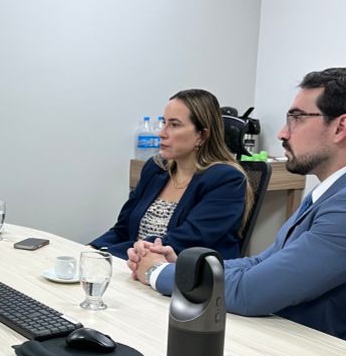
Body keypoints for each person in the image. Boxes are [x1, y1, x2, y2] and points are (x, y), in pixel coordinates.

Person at [130, 67, 346, 344]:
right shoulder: (345, 189)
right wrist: (183, 266)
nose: (282, 133)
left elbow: (252, 292)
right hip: (277, 334)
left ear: (341, 127)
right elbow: (260, 264)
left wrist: (158, 272)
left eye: (296, 118)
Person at [90, 89, 252, 260]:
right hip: (137, 267)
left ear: (202, 135)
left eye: (174, 124)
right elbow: (122, 229)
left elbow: (183, 241)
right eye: (163, 123)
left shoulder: (227, 180)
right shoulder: (155, 168)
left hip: (186, 278)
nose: (161, 133)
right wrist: (91, 250)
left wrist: (106, 257)